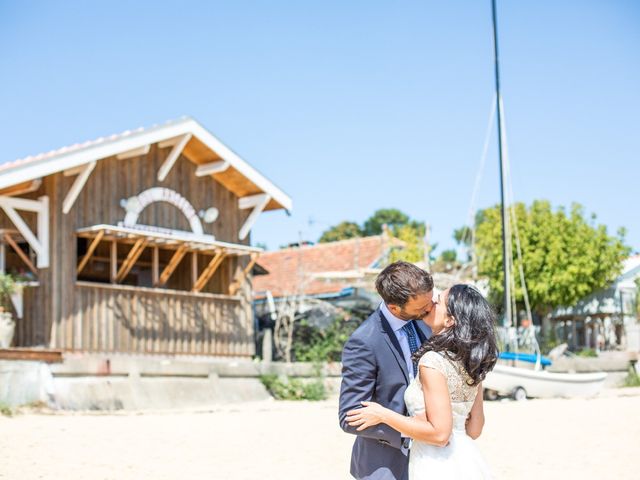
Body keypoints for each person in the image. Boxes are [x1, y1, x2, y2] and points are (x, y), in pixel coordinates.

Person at [346, 284, 498, 480]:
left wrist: (383, 415)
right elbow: (475, 429)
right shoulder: (471, 362)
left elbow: (440, 434)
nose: (432, 302)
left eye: (439, 301)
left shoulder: (432, 361)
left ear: (450, 320)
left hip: (435, 463)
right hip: (465, 459)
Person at [339, 261, 434, 480]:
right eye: (421, 308)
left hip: (429, 458)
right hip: (384, 464)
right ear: (394, 307)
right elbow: (348, 417)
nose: (429, 309)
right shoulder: (364, 342)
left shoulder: (425, 322)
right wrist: (408, 430)